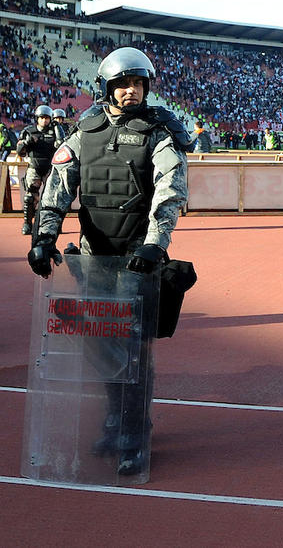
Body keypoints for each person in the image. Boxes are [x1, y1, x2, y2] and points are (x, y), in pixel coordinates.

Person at [26, 46, 189, 476]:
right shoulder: (84, 131)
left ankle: (135, 432)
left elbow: (170, 188)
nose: (131, 91)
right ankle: (114, 418)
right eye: (123, 84)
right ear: (108, 87)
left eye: (137, 84)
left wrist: (155, 243)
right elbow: (58, 186)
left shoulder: (159, 131)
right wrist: (45, 237)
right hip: (95, 259)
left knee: (135, 349)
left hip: (139, 258)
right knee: (101, 342)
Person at [16, 104, 63, 235]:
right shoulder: (29, 131)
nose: (44, 120)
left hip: (50, 168)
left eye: (47, 118)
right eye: (42, 117)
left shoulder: (55, 130)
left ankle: (54, 224)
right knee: (30, 197)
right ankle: (27, 223)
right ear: (37, 118)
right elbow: (20, 152)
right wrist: (26, 143)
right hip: (34, 168)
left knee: (53, 197)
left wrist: (58, 129)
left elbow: (61, 145)